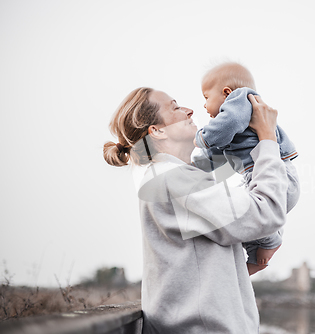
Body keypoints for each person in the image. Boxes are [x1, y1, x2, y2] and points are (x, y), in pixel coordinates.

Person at [103, 87, 290, 334]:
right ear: (157, 131)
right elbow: (266, 214)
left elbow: (239, 225)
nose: (189, 110)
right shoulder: (174, 180)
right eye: (175, 107)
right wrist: (267, 140)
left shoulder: (169, 177)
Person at [193, 62, 300, 275]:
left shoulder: (239, 100)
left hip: (277, 175)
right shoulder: (240, 125)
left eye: (206, 98)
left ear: (226, 93)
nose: (204, 106)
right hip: (272, 176)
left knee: (246, 218)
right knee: (244, 222)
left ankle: (270, 240)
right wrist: (195, 167)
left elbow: (226, 125)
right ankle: (255, 255)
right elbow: (218, 155)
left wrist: (201, 138)